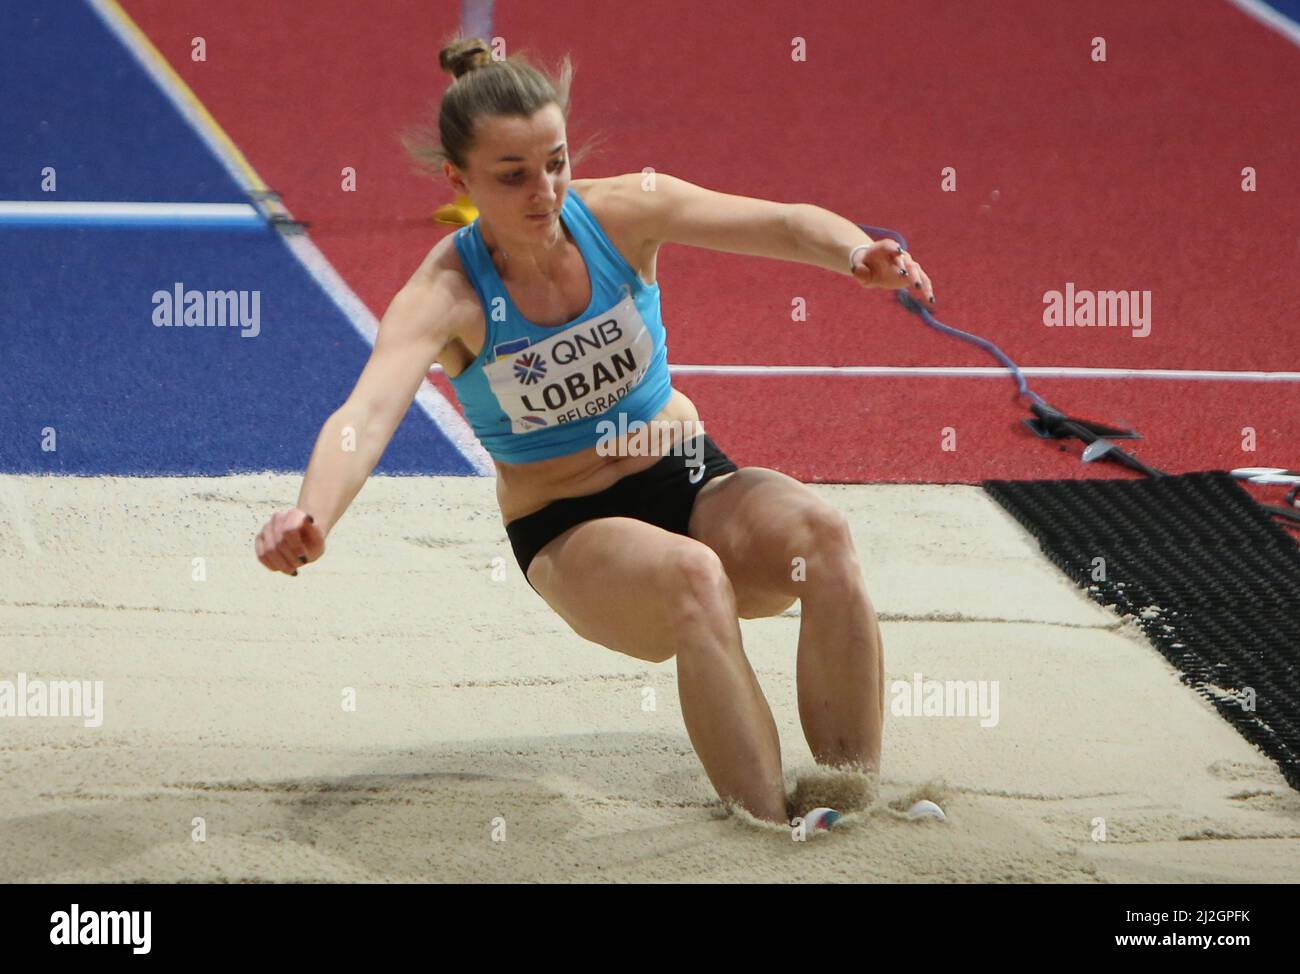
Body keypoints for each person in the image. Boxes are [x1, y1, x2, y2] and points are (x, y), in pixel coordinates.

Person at [254, 38, 936, 826]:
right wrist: (312, 515)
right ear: (459, 180)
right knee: (693, 579)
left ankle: (851, 798)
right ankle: (771, 831)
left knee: (823, 534)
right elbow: (364, 416)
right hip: (571, 528)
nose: (544, 192)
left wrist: (854, 250)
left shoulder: (623, 212)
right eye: (513, 176)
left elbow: (780, 223)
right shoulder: (445, 294)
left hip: (689, 475)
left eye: (556, 162)